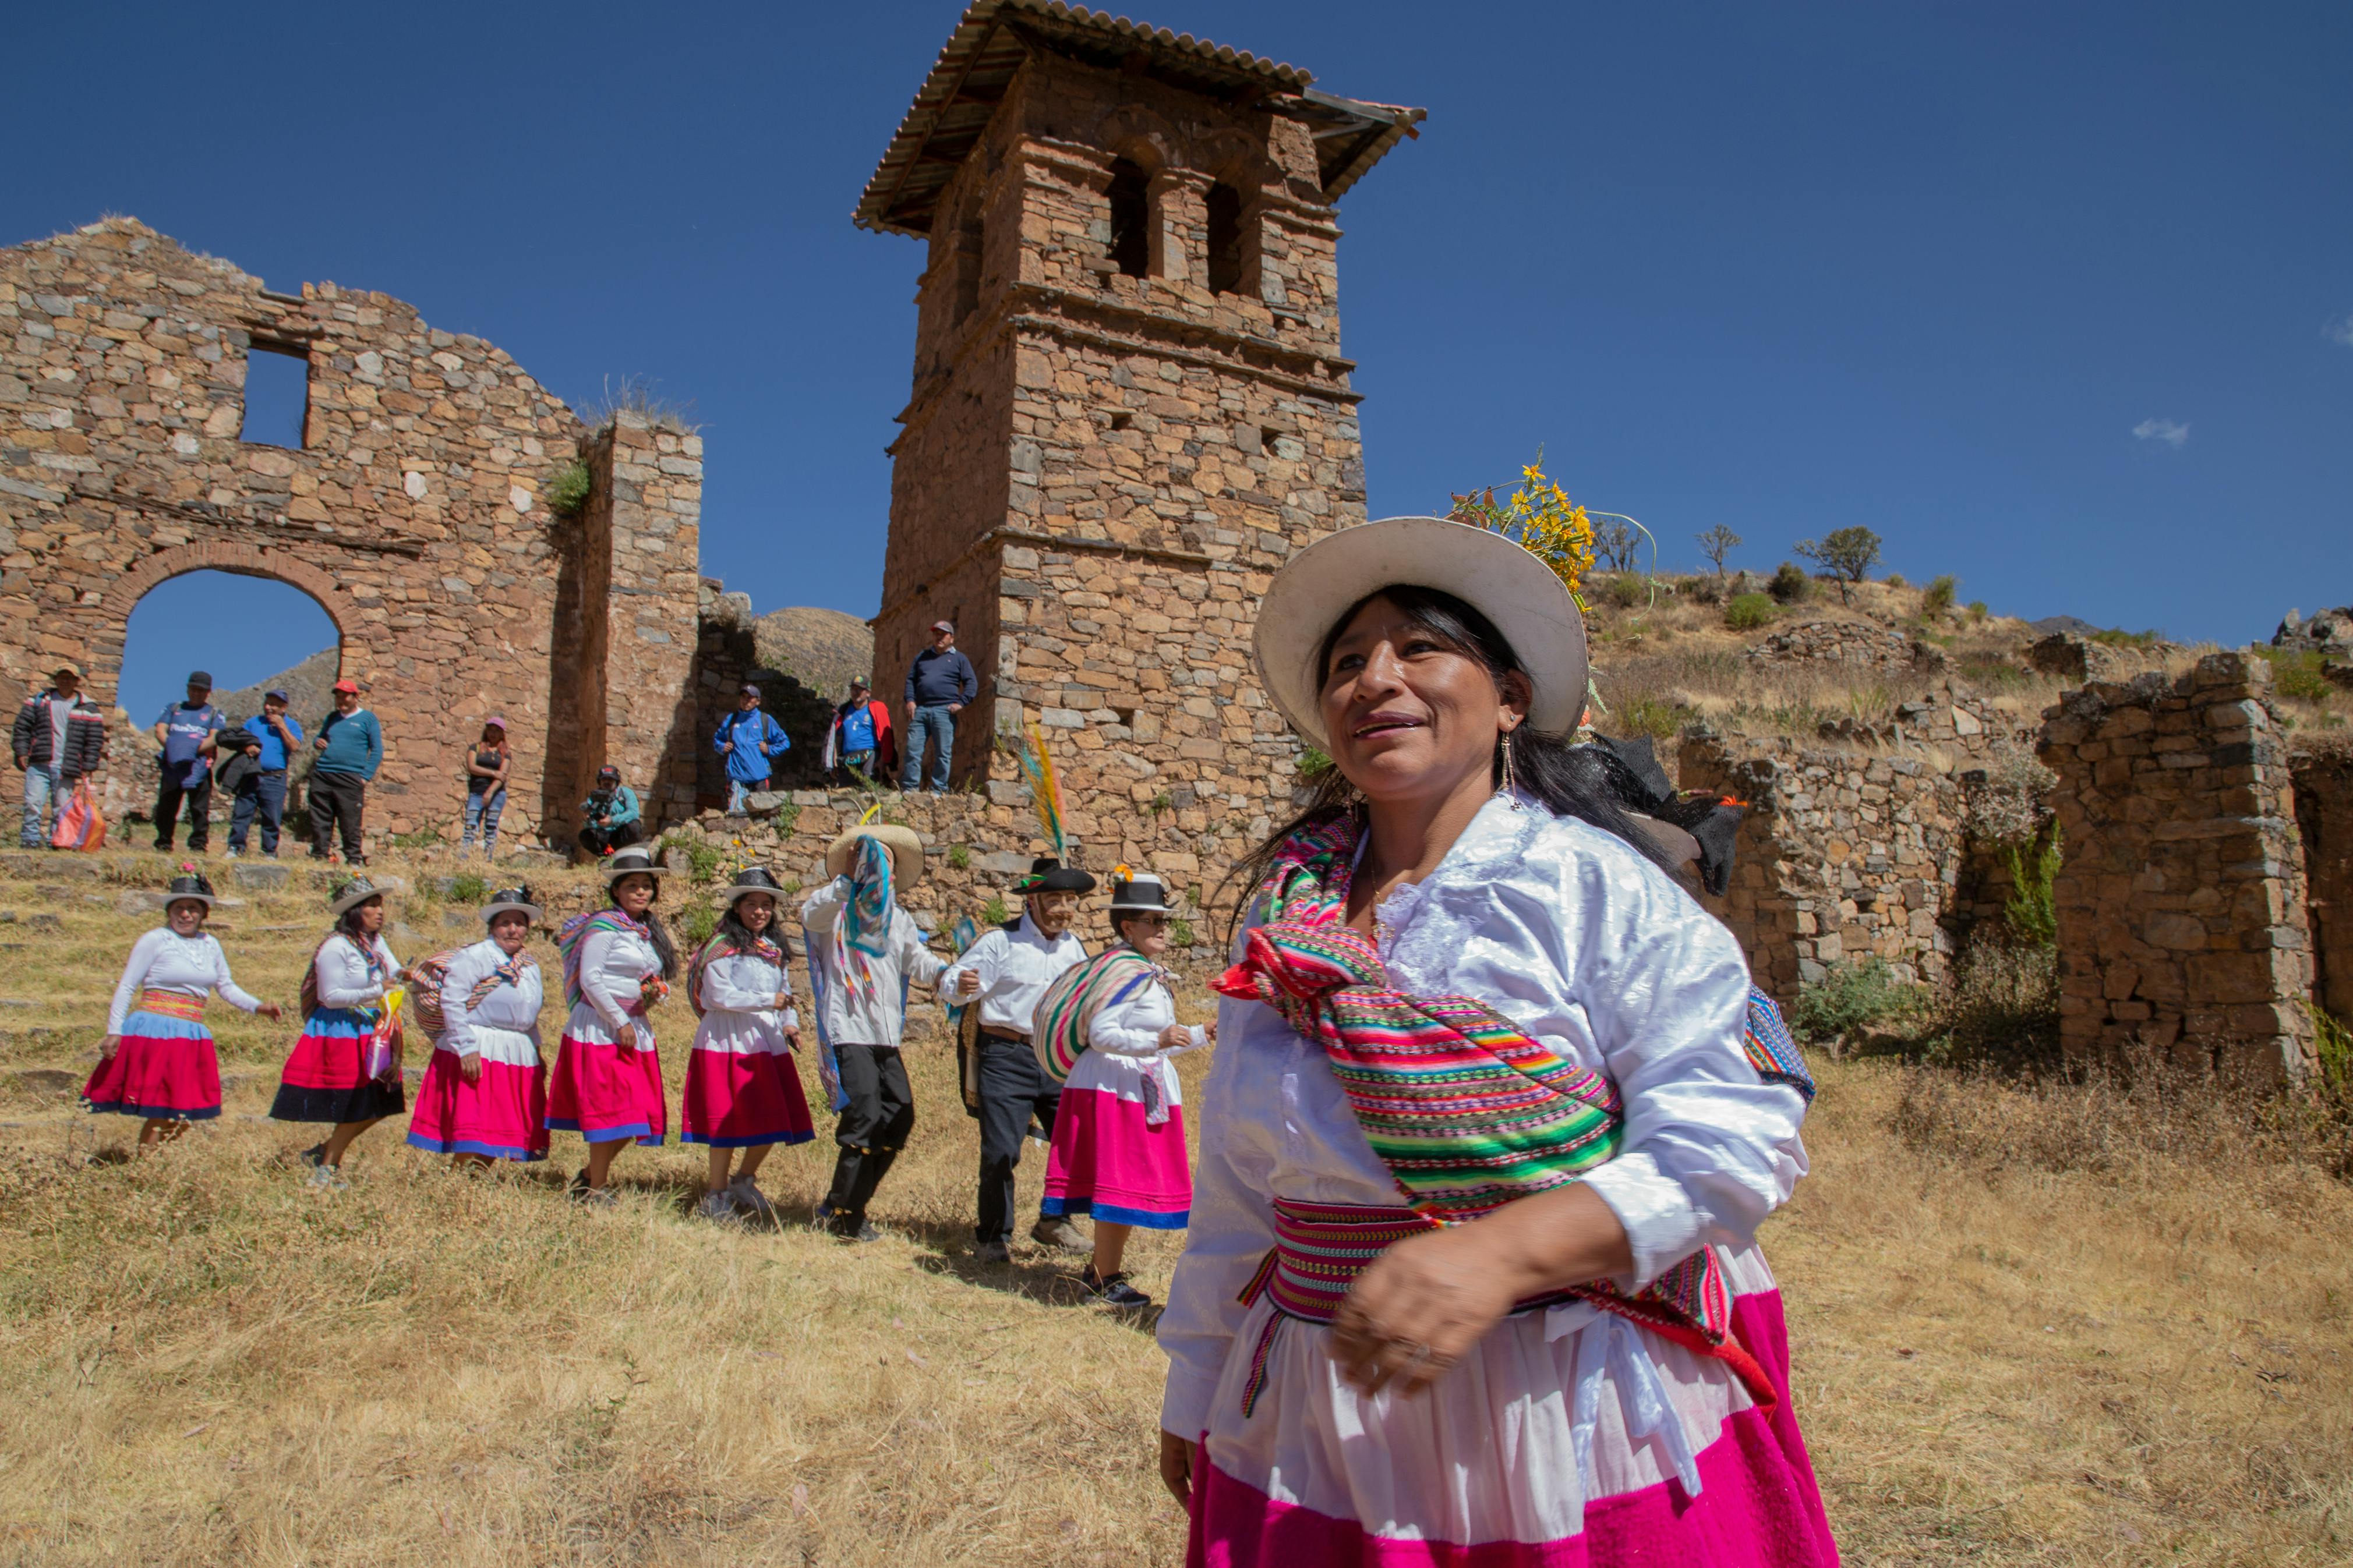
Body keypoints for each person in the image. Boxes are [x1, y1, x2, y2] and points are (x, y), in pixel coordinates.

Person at [1156, 516, 1833, 1565]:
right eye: (1346, 663)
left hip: (1559, 1407)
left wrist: (1505, 1249)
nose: (1376, 677)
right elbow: (1244, 1188)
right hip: (1314, 1410)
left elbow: (1734, 1137)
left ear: (1511, 697)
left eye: (1419, 647)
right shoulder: (1286, 933)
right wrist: (1197, 1381)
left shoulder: (1593, 887)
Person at [1033, 869, 1210, 1308]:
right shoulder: (1123, 970)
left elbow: (1162, 1041)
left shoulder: (1145, 973)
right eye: (1154, 921)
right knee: (1116, 1183)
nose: (1163, 929)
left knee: (1124, 1184)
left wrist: (1203, 1032)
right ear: (1128, 926)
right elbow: (1102, 1033)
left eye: (1165, 921)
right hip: (1112, 1090)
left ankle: (1102, 1271)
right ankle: (1105, 1278)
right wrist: (1156, 1040)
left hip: (1135, 1087)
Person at [939, 857, 1096, 1263]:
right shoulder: (998, 942)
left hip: (1059, 1059)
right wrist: (960, 983)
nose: (1065, 907)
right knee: (1001, 1150)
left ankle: (1054, 1221)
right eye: (1055, 898)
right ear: (1032, 901)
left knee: (1075, 1142)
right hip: (1006, 1056)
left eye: (1070, 899)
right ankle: (993, 1235)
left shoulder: (1074, 948)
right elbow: (953, 984)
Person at [801, 824, 945, 1241]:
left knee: (899, 1116)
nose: (880, 870)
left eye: (887, 862)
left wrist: (947, 975)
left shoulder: (898, 918)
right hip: (849, 1029)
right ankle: (845, 1212)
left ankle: (846, 1201)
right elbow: (811, 916)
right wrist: (845, 884)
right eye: (872, 859)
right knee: (864, 1115)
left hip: (885, 1036)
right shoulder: (837, 911)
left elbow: (916, 959)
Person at [82, 869, 282, 1149]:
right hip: (154, 1029)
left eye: (192, 909)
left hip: (190, 1033)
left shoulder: (211, 945)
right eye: (179, 908)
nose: (185, 915)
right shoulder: (155, 940)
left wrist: (258, 1007)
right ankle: (146, 1163)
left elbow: (226, 987)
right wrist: (114, 1031)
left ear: (203, 914)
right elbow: (127, 986)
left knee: (187, 1108)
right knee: (162, 1106)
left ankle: (148, 1159)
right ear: (169, 912)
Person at [547, 844, 678, 1204]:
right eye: (632, 885)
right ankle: (596, 1189)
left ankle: (590, 1176)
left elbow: (650, 976)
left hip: (634, 1027)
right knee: (610, 1112)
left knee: (640, 1111)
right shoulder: (604, 927)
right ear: (616, 891)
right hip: (602, 1028)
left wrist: (657, 991)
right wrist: (620, 1021)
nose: (641, 892)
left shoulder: (644, 931)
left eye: (647, 886)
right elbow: (591, 979)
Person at [681, 866, 812, 1220]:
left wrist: (789, 1024)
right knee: (725, 1119)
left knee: (774, 1115)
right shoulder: (721, 948)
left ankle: (745, 1179)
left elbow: (784, 993)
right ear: (736, 907)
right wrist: (768, 1002)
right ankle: (717, 1193)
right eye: (751, 904)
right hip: (726, 1039)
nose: (759, 912)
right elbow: (719, 994)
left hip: (766, 1041)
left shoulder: (773, 949)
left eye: (766, 905)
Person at [271, 876, 407, 1189]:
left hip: (370, 1029)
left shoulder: (374, 944)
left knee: (381, 1100)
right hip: (340, 1030)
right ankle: (328, 1165)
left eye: (380, 905)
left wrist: (410, 974)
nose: (379, 911)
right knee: (357, 1101)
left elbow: (394, 970)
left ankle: (325, 1153)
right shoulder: (335, 947)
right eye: (372, 906)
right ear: (355, 912)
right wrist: (376, 990)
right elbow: (330, 996)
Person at [405, 886, 548, 1166]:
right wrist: (467, 1048)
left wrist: (538, 1052)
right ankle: (460, 1179)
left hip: (515, 1051)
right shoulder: (475, 957)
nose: (512, 930)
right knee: (474, 1121)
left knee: (499, 1124)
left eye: (519, 924)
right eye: (505, 923)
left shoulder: (529, 966)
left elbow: (529, 1014)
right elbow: (453, 1002)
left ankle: (475, 1177)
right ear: (493, 927)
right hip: (480, 1046)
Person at [13, 663, 107, 849]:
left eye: (70, 678)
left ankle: (55, 841)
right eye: (61, 677)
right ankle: (30, 840)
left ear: (77, 681)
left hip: (68, 767)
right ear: (55, 680)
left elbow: (94, 741)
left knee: (61, 808)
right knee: (33, 803)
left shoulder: (89, 709)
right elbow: (22, 728)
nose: (65, 681)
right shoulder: (38, 702)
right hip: (39, 763)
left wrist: (88, 767)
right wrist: (22, 752)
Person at [308, 678, 382, 866]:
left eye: (345, 696)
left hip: (350, 778)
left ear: (355, 697)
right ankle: (319, 856)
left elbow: (377, 750)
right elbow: (320, 738)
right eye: (338, 697)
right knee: (320, 819)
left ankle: (353, 859)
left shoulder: (367, 719)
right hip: (323, 775)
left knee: (350, 821)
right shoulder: (332, 718)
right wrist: (318, 742)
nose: (341, 700)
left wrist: (365, 777)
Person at [151, 670, 224, 854]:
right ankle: (164, 843)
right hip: (172, 765)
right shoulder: (173, 709)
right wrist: (175, 750)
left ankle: (198, 845)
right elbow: (160, 730)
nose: (197, 693)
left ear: (208, 692)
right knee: (167, 806)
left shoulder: (214, 713)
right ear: (187, 689)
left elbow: (215, 738)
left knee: (199, 809)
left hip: (199, 765)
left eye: (201, 690)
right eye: (193, 689)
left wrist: (190, 750)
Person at [900, 620, 977, 794]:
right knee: (913, 750)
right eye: (936, 633)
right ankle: (910, 788)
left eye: (943, 634)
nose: (938, 637)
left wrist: (962, 703)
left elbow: (971, 683)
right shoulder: (922, 657)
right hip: (920, 710)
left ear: (952, 638)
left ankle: (938, 789)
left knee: (943, 752)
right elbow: (910, 680)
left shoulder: (959, 659)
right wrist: (910, 701)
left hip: (944, 711)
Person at [225, 689, 302, 859]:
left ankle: (269, 852)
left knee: (272, 817)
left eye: (274, 704)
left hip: (275, 778)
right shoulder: (254, 723)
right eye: (267, 703)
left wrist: (282, 726)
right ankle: (235, 848)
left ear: (284, 707)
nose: (268, 707)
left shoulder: (292, 725)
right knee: (242, 813)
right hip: (251, 775)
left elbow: (295, 746)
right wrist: (246, 747)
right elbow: (238, 740)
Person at [715, 684, 790, 815]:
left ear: (758, 701)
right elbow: (717, 739)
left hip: (759, 779)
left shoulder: (765, 720)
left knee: (760, 818)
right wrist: (722, 747)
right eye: (743, 697)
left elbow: (785, 742)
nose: (746, 701)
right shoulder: (731, 720)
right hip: (736, 779)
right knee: (735, 818)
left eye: (750, 698)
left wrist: (769, 749)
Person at [825, 677, 896, 783]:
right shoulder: (843, 711)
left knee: (867, 788)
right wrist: (834, 761)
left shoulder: (876, 709)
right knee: (846, 793)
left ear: (868, 693)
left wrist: (883, 762)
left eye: (859, 690)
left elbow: (886, 737)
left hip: (870, 757)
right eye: (853, 689)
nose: (855, 692)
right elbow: (835, 738)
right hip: (848, 759)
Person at [461, 716, 513, 858]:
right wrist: (493, 772)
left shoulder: (505, 754)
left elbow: (503, 776)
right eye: (490, 730)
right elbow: (472, 767)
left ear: (502, 733)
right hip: (476, 793)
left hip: (496, 794)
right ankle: (464, 859)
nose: (493, 734)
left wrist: (490, 792)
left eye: (497, 731)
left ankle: (488, 859)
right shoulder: (476, 748)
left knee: (491, 827)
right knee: (470, 827)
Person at [578, 765, 642, 858]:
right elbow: (590, 826)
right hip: (604, 836)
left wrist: (612, 820)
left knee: (634, 826)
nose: (607, 782)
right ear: (600, 782)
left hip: (621, 834)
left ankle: (633, 855)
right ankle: (605, 858)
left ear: (616, 781)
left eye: (610, 779)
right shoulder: (593, 799)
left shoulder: (626, 793)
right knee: (585, 835)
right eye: (604, 779)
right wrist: (588, 820)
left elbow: (634, 813)